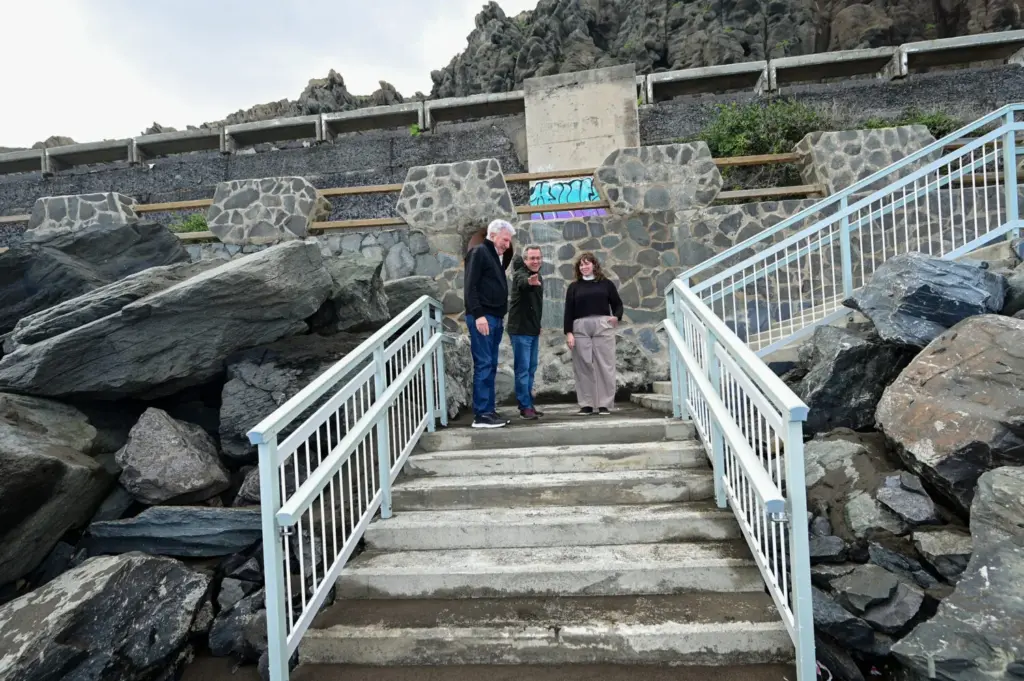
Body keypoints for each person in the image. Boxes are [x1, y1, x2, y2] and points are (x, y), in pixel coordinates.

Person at [463, 219, 516, 429]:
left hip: (494, 318)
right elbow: (470, 286)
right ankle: (482, 415)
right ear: (493, 235)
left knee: (491, 364)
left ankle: (488, 410)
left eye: (509, 241)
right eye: (505, 240)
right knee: (484, 363)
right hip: (483, 317)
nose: (507, 245)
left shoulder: (493, 256)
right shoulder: (479, 252)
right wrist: (479, 315)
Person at [563, 252, 623, 416]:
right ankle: (587, 404)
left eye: (587, 264)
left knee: (605, 364)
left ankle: (604, 404)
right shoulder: (574, 287)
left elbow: (617, 304)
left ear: (594, 265)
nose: (584, 267)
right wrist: (569, 333)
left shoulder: (606, 284)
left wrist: (616, 317)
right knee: (583, 365)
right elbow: (568, 311)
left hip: (602, 326)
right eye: (581, 265)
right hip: (580, 327)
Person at [507, 245, 545, 420]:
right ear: (525, 260)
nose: (535, 261)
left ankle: (528, 403)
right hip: (520, 330)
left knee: (531, 369)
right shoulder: (520, 275)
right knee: (522, 370)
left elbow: (535, 306)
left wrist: (538, 325)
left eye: (538, 258)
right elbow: (524, 283)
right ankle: (524, 407)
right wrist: (530, 282)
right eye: (532, 258)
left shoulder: (539, 277)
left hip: (532, 330)